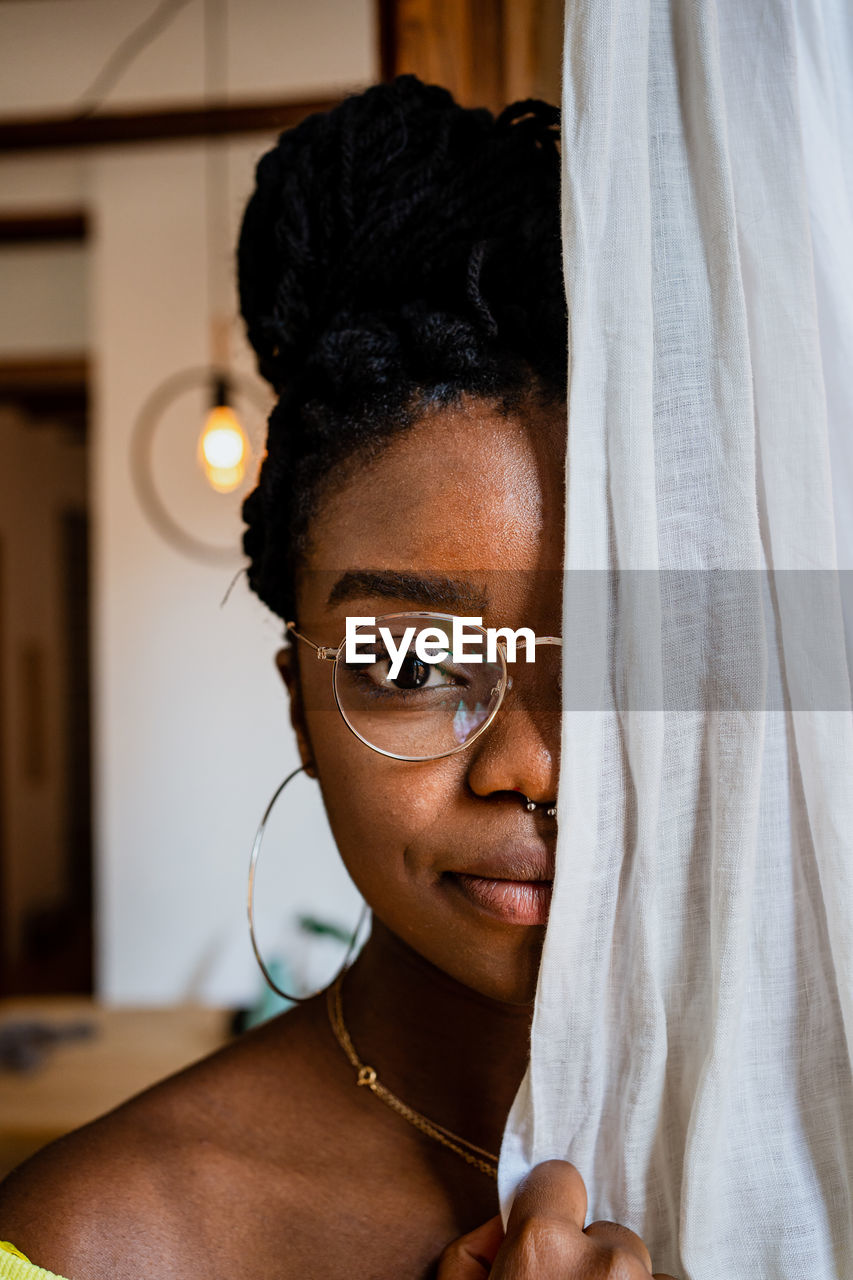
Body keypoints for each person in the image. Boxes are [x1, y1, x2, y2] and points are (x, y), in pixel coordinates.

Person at [0, 76, 674, 1279]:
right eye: (415, 657)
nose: (530, 762)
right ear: (300, 705)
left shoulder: (799, 1138)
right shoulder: (95, 1243)